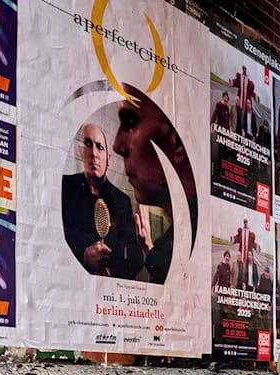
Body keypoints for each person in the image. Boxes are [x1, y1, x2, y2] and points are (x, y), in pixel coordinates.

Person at [113, 86, 198, 284]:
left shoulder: (192, 237)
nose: (117, 145)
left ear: (177, 143)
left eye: (131, 122)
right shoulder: (179, 238)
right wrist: (149, 247)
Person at [62, 123, 142, 279]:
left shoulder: (122, 201)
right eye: (87, 144)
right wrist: (83, 257)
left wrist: (113, 274)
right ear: (80, 152)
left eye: (100, 147)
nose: (94, 153)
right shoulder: (63, 188)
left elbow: (135, 258)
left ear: (108, 158)